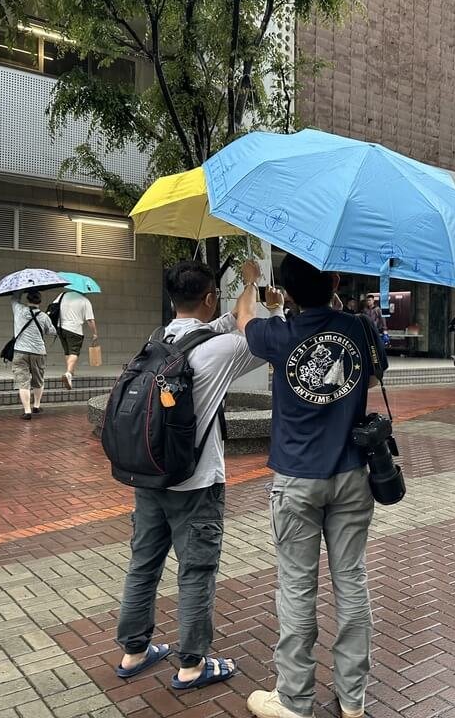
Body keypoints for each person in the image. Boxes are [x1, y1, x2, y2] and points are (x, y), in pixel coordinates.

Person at [114, 259, 283, 690]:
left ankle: (133, 651)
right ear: (209, 297)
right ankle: (192, 664)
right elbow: (264, 338)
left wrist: (247, 290)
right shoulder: (223, 350)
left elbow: (226, 321)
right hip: (197, 483)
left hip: (149, 476)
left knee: (143, 563)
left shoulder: (155, 342)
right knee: (196, 570)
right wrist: (265, 298)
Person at [237, 254, 387, 718]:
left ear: (289, 293)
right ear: (336, 281)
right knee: (352, 582)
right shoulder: (359, 328)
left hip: (297, 479)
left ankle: (295, 699)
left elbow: (243, 318)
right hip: (351, 476)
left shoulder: (281, 334)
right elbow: (375, 374)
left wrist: (251, 283)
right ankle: (353, 699)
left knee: (297, 589)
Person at [11, 291, 56, 420]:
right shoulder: (44, 316)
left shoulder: (19, 310)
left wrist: (21, 290)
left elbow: (14, 299)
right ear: (40, 302)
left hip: (20, 351)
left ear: (27, 300)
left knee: (23, 382)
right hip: (38, 352)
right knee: (38, 380)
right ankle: (36, 406)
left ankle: (27, 411)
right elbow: (52, 331)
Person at [52, 288, 99, 389]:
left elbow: (53, 306)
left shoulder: (62, 295)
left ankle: (71, 370)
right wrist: (95, 333)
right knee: (74, 352)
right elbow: (90, 320)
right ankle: (68, 373)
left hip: (61, 328)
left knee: (67, 352)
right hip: (74, 330)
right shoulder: (85, 301)